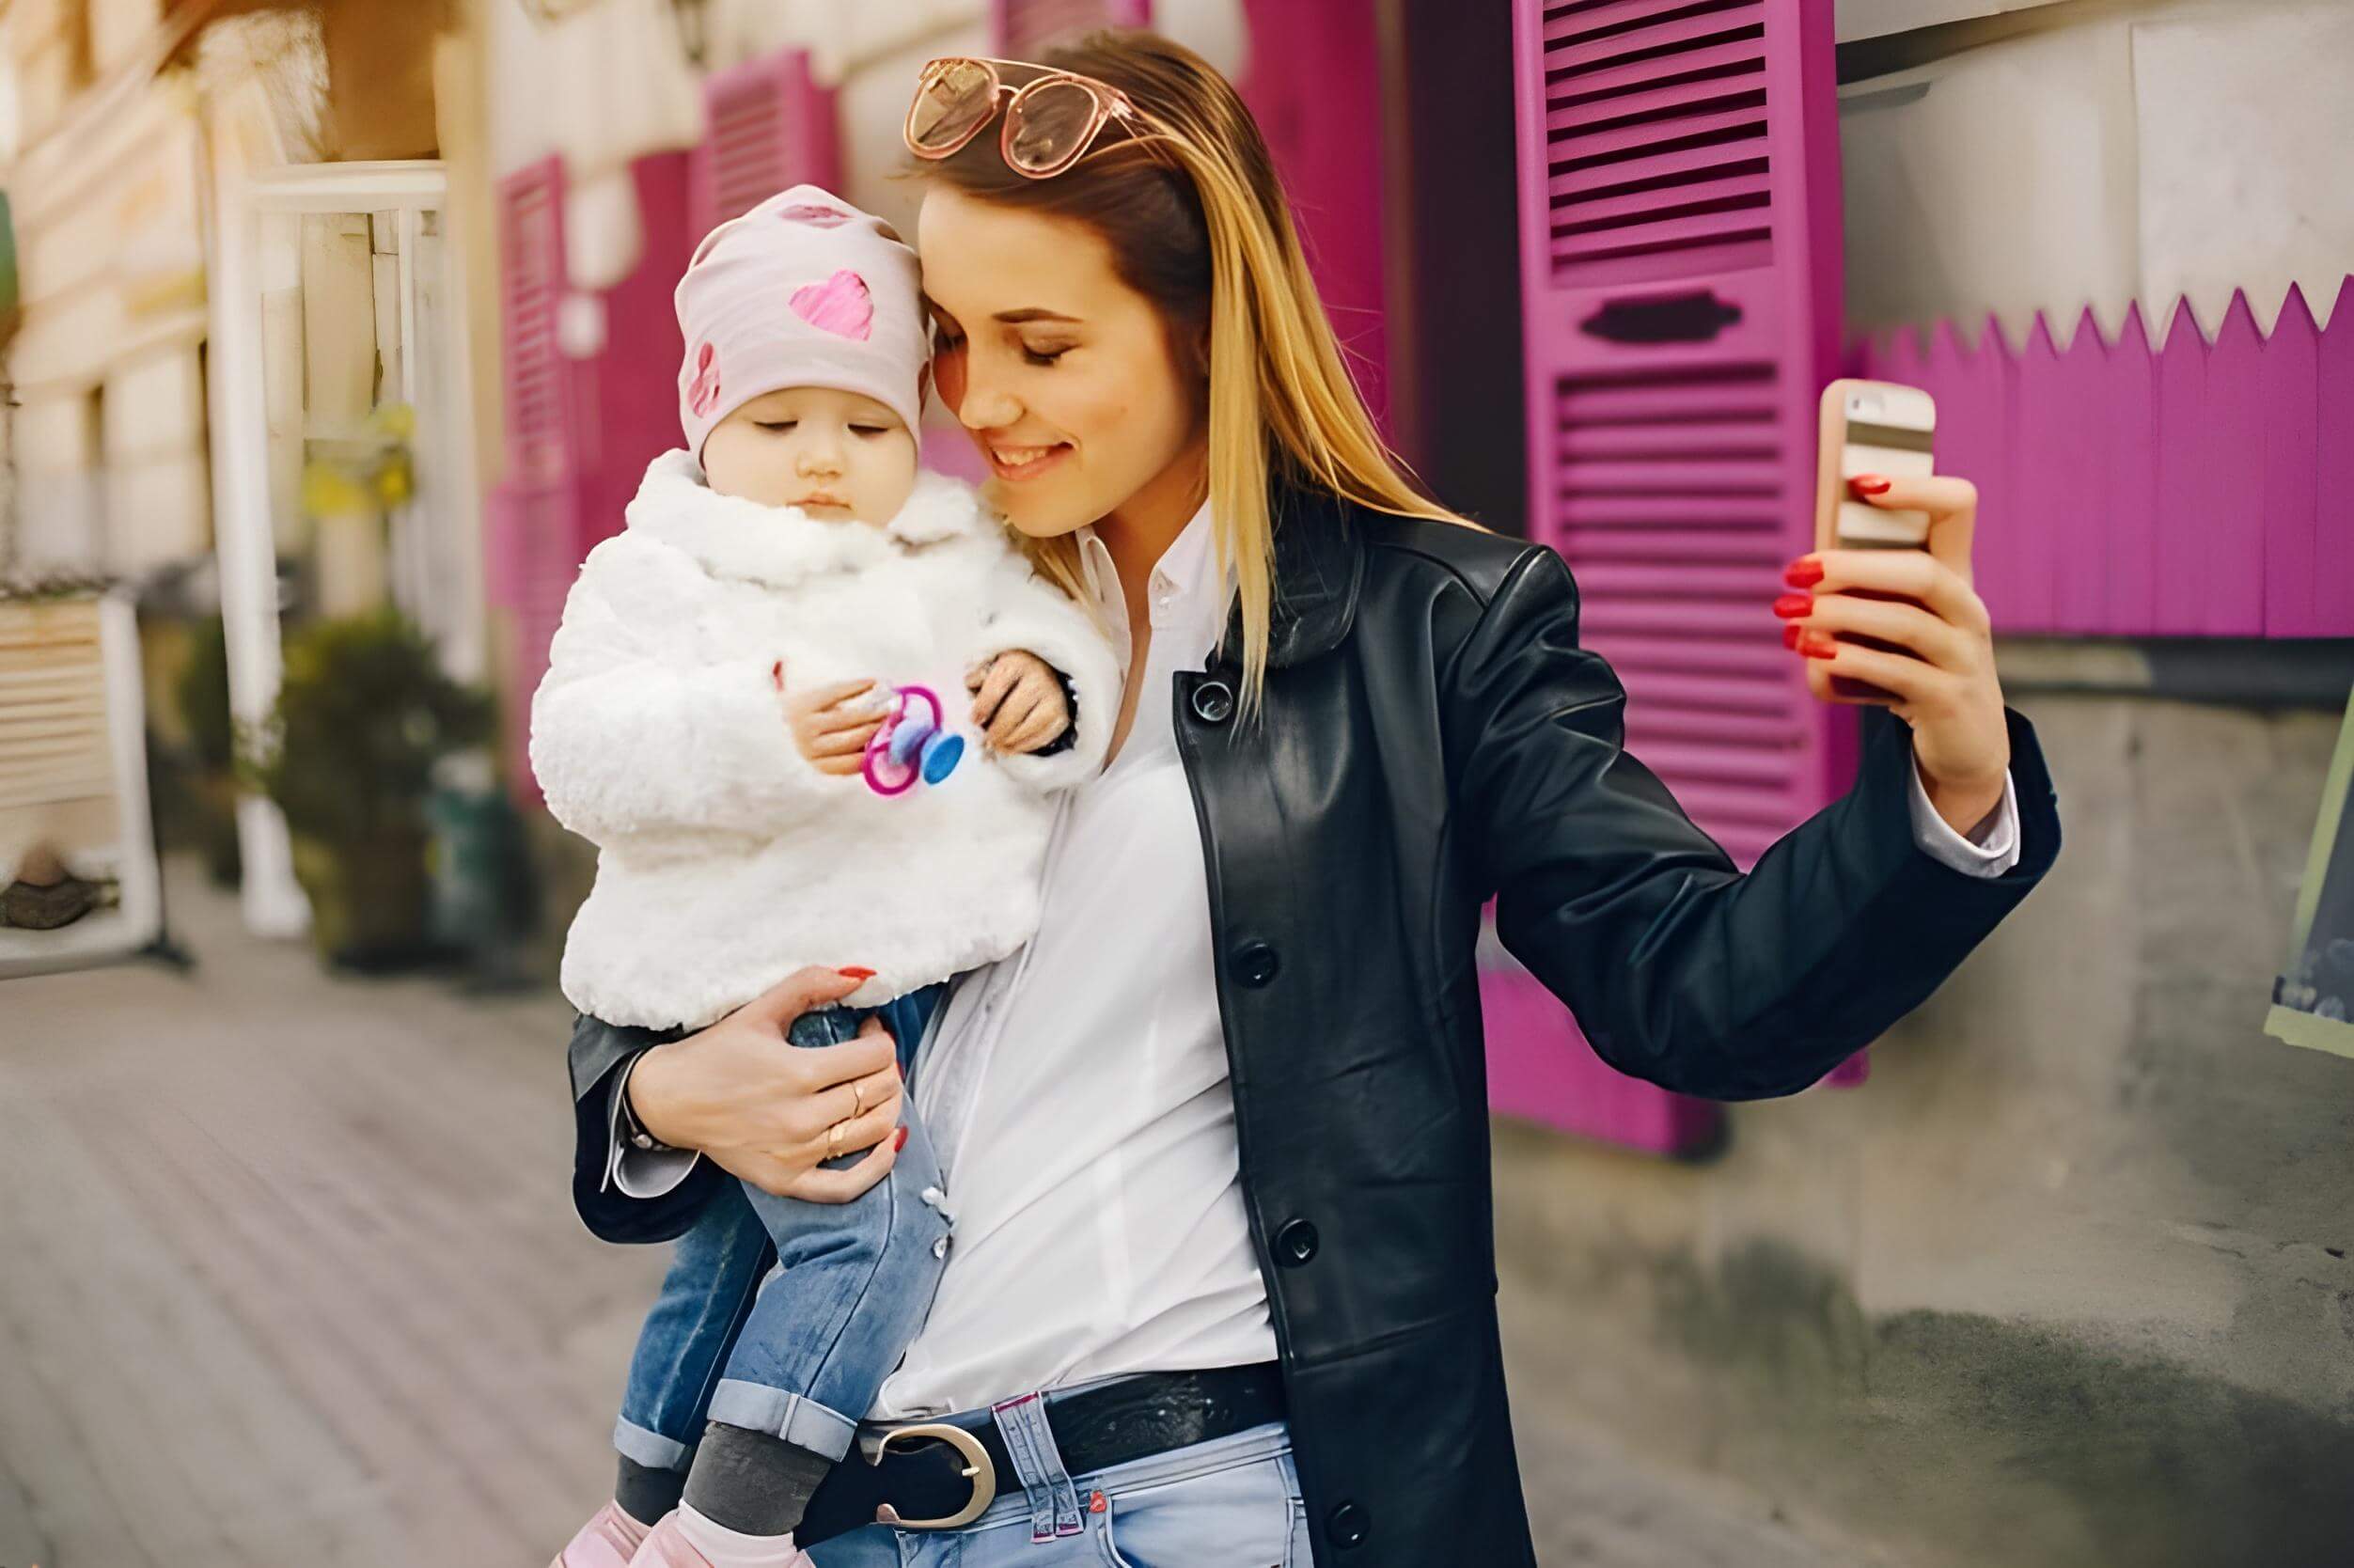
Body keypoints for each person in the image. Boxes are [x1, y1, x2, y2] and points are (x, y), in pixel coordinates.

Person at [563, 35, 2059, 1568]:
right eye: (946, 335)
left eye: (1043, 343)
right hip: (831, 1521)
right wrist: (661, 1097)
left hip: (1182, 1514)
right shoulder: (906, 591)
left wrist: (1950, 776)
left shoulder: (1435, 633)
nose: (976, 399)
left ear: (1205, 329)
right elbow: (689, 907)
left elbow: (1696, 994)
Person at [533, 185, 1118, 1568]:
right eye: (778, 421)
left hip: (912, 961)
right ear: (704, 412)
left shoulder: (946, 541)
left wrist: (1047, 680)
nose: (822, 458)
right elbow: (577, 747)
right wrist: (757, 734)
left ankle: (632, 1517)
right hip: (764, 974)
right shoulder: (662, 569)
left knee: (734, 1258)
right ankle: (732, 1532)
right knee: (874, 1247)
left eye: (864, 424)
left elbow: (1043, 616)